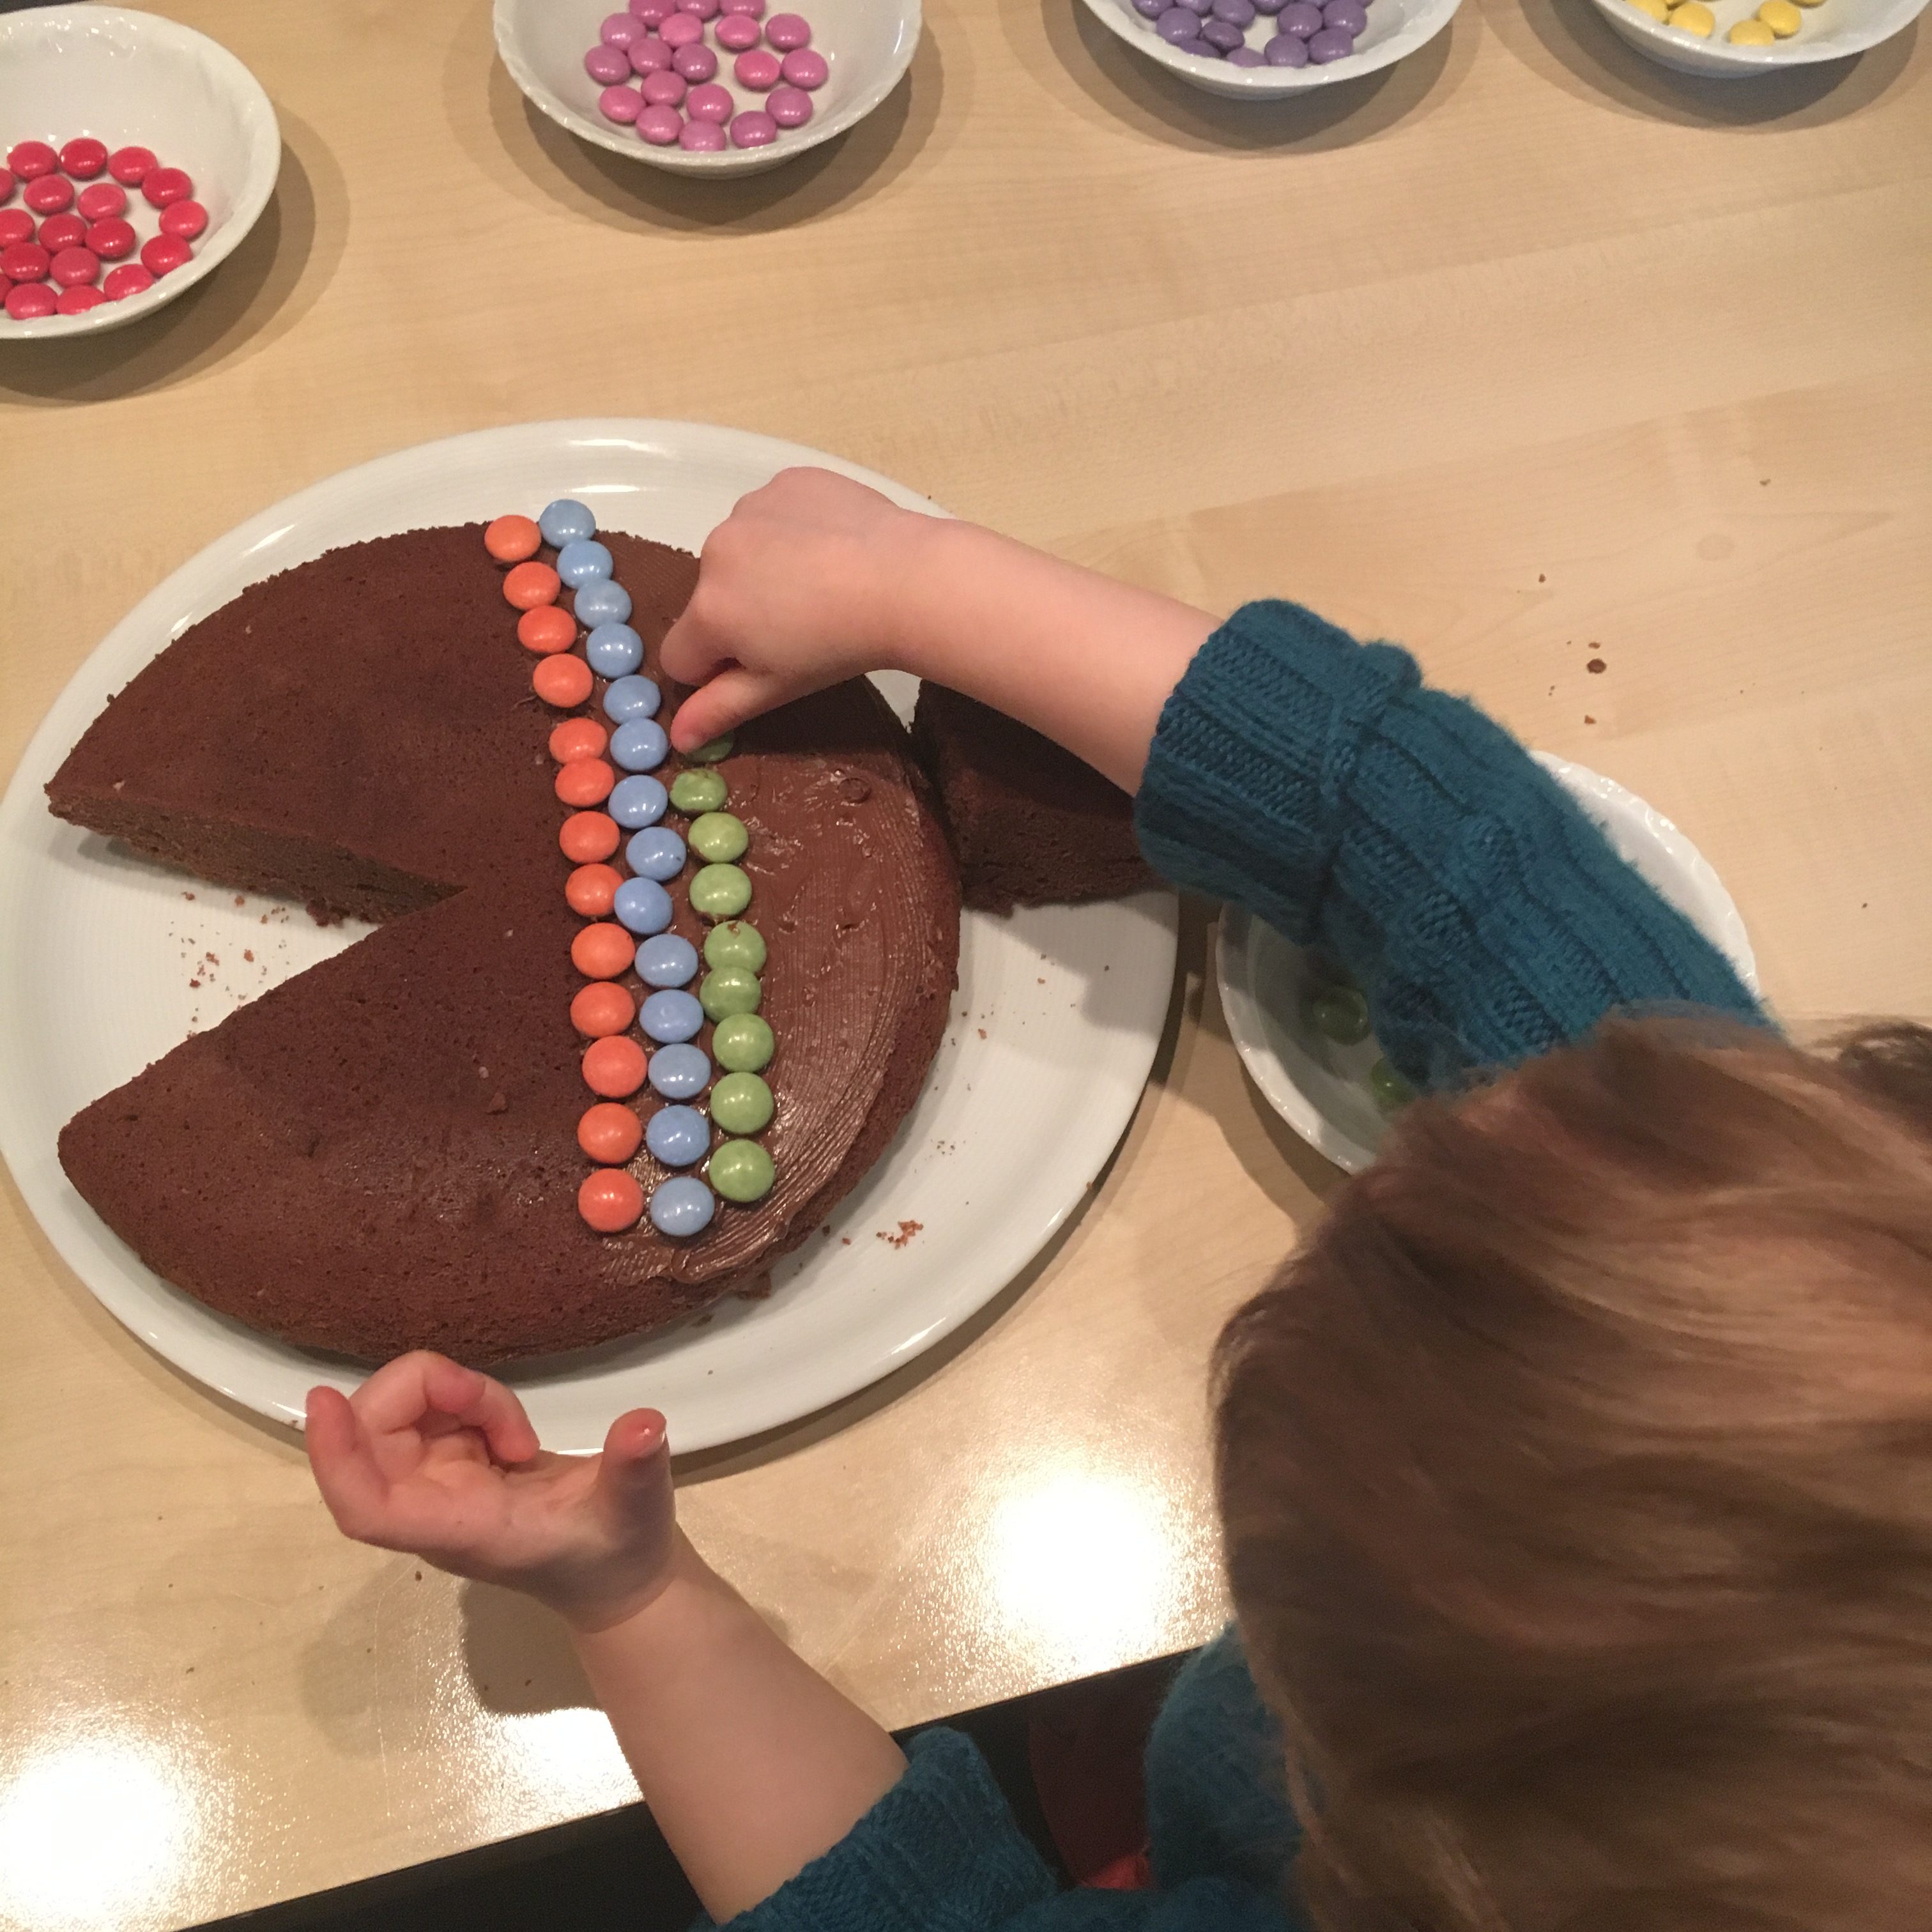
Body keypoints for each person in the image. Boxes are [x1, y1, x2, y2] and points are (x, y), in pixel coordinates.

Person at [308, 471, 1932, 1930]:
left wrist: (637, 1599)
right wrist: (923, 586)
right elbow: (1442, 838)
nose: (1495, 1103)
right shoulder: (1767, 1258)